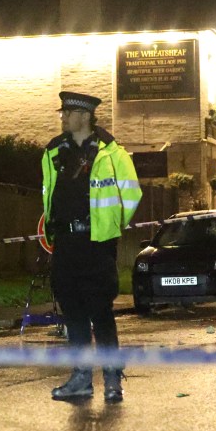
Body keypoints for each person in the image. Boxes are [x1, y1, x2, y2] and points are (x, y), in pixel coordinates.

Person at [42, 91, 142, 403]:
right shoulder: (54, 151)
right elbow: (50, 194)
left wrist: (111, 227)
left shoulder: (113, 154)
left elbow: (131, 195)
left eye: (68, 113)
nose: (63, 117)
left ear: (85, 116)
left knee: (100, 311)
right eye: (63, 112)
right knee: (73, 312)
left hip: (97, 244)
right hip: (66, 243)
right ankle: (81, 378)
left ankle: (112, 379)